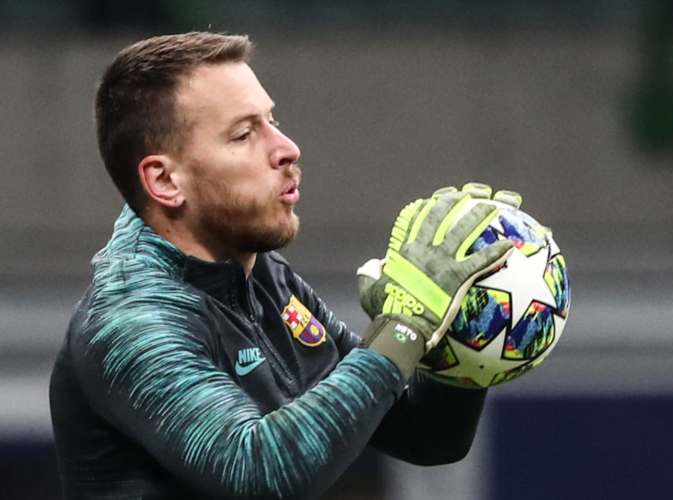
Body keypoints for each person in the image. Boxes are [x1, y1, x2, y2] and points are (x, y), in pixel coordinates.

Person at [49, 32, 515, 500]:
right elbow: (258, 471)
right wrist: (404, 328)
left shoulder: (259, 273)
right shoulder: (132, 317)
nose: (287, 148)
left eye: (272, 121)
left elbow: (424, 434)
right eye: (244, 134)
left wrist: (463, 325)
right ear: (166, 180)